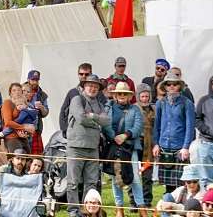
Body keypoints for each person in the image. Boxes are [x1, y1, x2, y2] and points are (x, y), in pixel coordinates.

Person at [66, 74, 110, 217]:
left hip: (93, 148)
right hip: (76, 147)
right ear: (84, 86)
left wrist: (92, 116)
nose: (92, 88)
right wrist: (95, 121)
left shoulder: (99, 104)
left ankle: (87, 211)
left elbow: (106, 121)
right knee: (73, 182)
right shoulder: (76, 99)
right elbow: (80, 118)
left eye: (95, 86)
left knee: (91, 183)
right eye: (90, 85)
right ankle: (73, 211)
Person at [102, 82, 146, 217]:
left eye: (125, 94)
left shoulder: (135, 109)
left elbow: (138, 126)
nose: (122, 96)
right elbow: (105, 124)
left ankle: (142, 208)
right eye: (119, 93)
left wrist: (125, 135)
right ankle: (119, 208)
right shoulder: (108, 108)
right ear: (115, 95)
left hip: (129, 147)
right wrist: (114, 136)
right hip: (113, 146)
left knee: (135, 179)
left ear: (129, 96)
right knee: (116, 178)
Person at [153, 70, 196, 193]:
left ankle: (179, 209)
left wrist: (186, 147)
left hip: (180, 148)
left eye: (174, 84)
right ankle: (168, 209)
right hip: (164, 146)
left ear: (179, 86)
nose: (171, 86)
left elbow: (190, 127)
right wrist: (156, 143)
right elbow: (157, 125)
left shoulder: (187, 103)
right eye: (168, 84)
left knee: (182, 184)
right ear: (165, 86)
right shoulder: (160, 103)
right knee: (168, 186)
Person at [60, 63, 106, 137]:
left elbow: (104, 112)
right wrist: (65, 130)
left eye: (86, 74)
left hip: (92, 134)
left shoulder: (98, 93)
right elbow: (63, 112)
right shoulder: (73, 92)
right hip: (75, 135)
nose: (83, 76)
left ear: (91, 74)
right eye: (81, 74)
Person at [132, 84, 157, 209]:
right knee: (133, 174)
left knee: (147, 175)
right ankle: (134, 202)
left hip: (149, 145)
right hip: (136, 144)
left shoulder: (154, 109)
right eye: (142, 96)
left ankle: (147, 201)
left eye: (147, 96)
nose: (145, 99)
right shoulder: (133, 109)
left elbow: (157, 128)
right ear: (138, 96)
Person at [0, 82, 36, 154]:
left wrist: (27, 132)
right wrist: (24, 128)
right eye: (14, 90)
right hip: (11, 137)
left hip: (23, 137)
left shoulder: (24, 104)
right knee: (17, 159)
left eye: (19, 90)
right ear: (10, 93)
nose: (17, 92)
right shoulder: (8, 103)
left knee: (28, 160)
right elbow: (8, 122)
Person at [196, 75, 213, 188]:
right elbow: (197, 119)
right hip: (207, 144)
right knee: (206, 178)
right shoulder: (204, 100)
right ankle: (206, 204)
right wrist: (207, 130)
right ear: (210, 85)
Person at [24, 70, 49, 154]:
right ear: (28, 79)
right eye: (33, 80)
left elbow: (45, 113)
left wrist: (41, 107)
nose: (35, 82)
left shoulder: (42, 95)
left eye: (37, 80)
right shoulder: (21, 90)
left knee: (35, 156)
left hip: (35, 129)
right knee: (21, 154)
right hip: (21, 127)